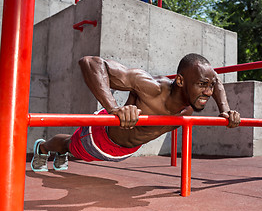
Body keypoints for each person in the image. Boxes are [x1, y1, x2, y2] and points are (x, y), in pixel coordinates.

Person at [31, 53, 241, 172]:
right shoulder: (152, 87)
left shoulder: (190, 107)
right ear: (180, 80)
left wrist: (225, 110)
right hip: (101, 136)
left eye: (210, 86)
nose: (208, 91)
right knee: (69, 145)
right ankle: (43, 149)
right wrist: (115, 108)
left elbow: (216, 81)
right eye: (202, 84)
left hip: (125, 151)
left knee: (71, 149)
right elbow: (90, 62)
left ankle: (59, 153)